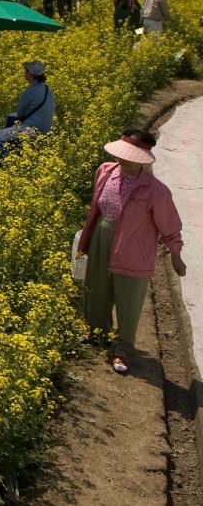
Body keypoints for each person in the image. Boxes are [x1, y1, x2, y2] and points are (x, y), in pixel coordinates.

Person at [76, 130, 185, 374]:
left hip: (134, 247)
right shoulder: (106, 170)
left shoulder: (156, 191)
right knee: (96, 289)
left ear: (144, 159)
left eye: (131, 157)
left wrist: (176, 254)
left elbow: (170, 226)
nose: (123, 160)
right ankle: (97, 334)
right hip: (101, 236)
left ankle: (123, 350)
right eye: (122, 155)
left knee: (129, 299)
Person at [0, 61, 54, 141]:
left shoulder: (29, 91)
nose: (24, 72)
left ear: (31, 74)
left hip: (32, 129)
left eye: (26, 71)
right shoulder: (47, 89)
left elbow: (20, 114)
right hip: (46, 129)